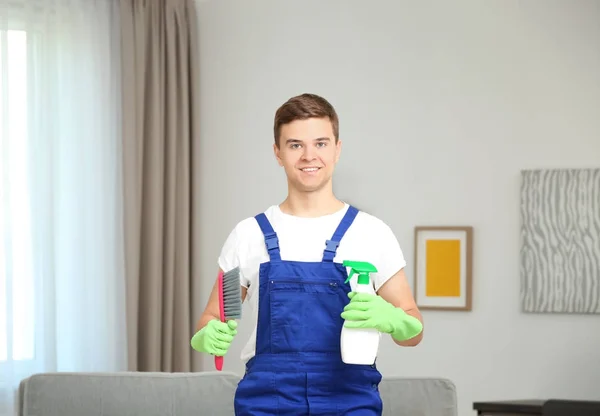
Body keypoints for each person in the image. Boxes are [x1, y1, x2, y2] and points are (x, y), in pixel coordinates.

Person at [191, 93, 424, 415]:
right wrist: (207, 334)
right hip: (267, 401)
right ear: (278, 152)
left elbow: (414, 330)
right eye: (295, 145)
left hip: (350, 400)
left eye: (321, 143)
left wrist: (396, 320)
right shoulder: (248, 234)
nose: (309, 156)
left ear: (337, 149)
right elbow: (214, 315)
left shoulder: (372, 233)